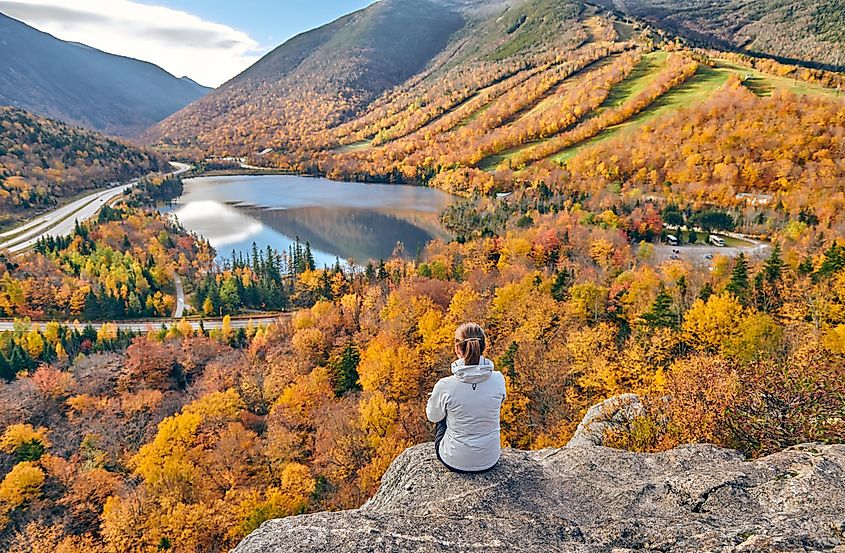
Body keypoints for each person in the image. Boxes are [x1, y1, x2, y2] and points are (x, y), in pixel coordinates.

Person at [426, 323, 506, 473]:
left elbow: (433, 416)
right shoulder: (498, 379)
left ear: (457, 349)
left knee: (442, 413)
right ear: (484, 347)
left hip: (454, 460)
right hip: (490, 458)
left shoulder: (445, 385)